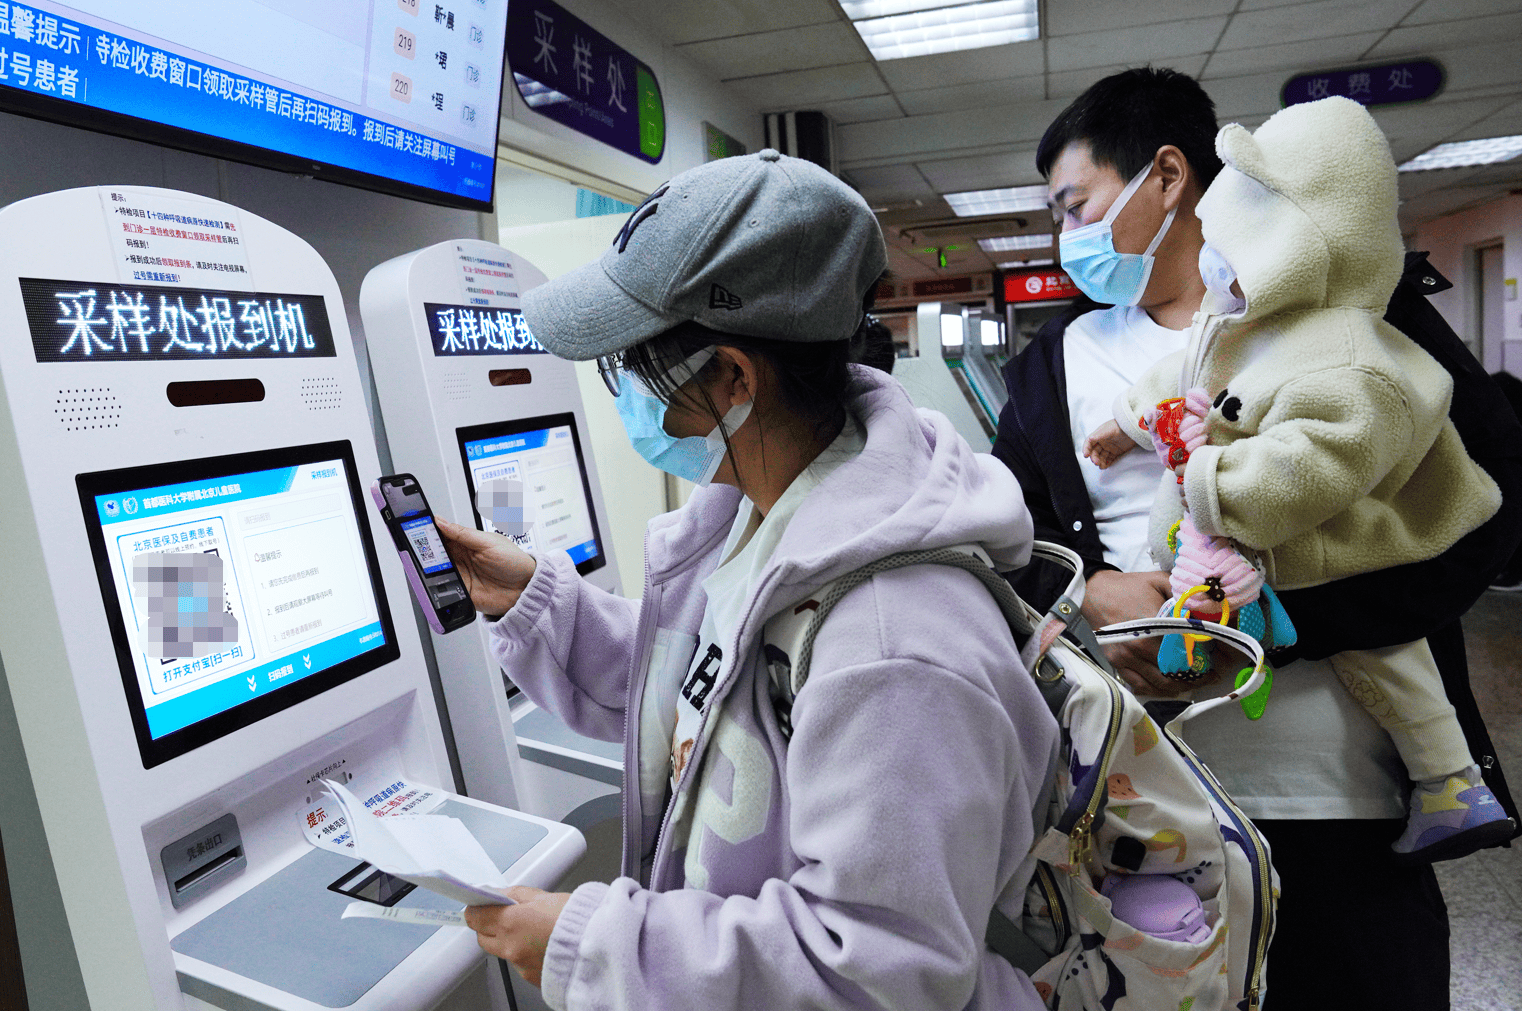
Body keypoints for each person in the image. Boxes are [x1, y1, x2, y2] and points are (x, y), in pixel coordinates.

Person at [440, 150, 1058, 1010]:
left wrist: (600, 947)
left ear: (733, 377)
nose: (625, 394)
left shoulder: (895, 638)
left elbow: (882, 968)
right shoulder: (760, 513)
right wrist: (538, 604)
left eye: (632, 365)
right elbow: (710, 697)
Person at [993, 68, 1522, 1009]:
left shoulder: (1354, 316)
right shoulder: (1053, 366)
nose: (1066, 236)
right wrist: (1088, 596)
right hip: (1144, 810)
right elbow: (1006, 544)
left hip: (1347, 802)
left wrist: (1256, 627)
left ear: (1167, 176)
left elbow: (1485, 513)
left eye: (1075, 206)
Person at [1086, 96, 1511, 863]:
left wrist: (1209, 478)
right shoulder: (1248, 324)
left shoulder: (1355, 356)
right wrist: (1127, 421)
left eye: (1231, 248)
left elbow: (1314, 462)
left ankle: (1451, 784)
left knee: (1389, 657)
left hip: (1341, 553)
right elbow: (1181, 376)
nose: (1215, 268)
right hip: (1239, 573)